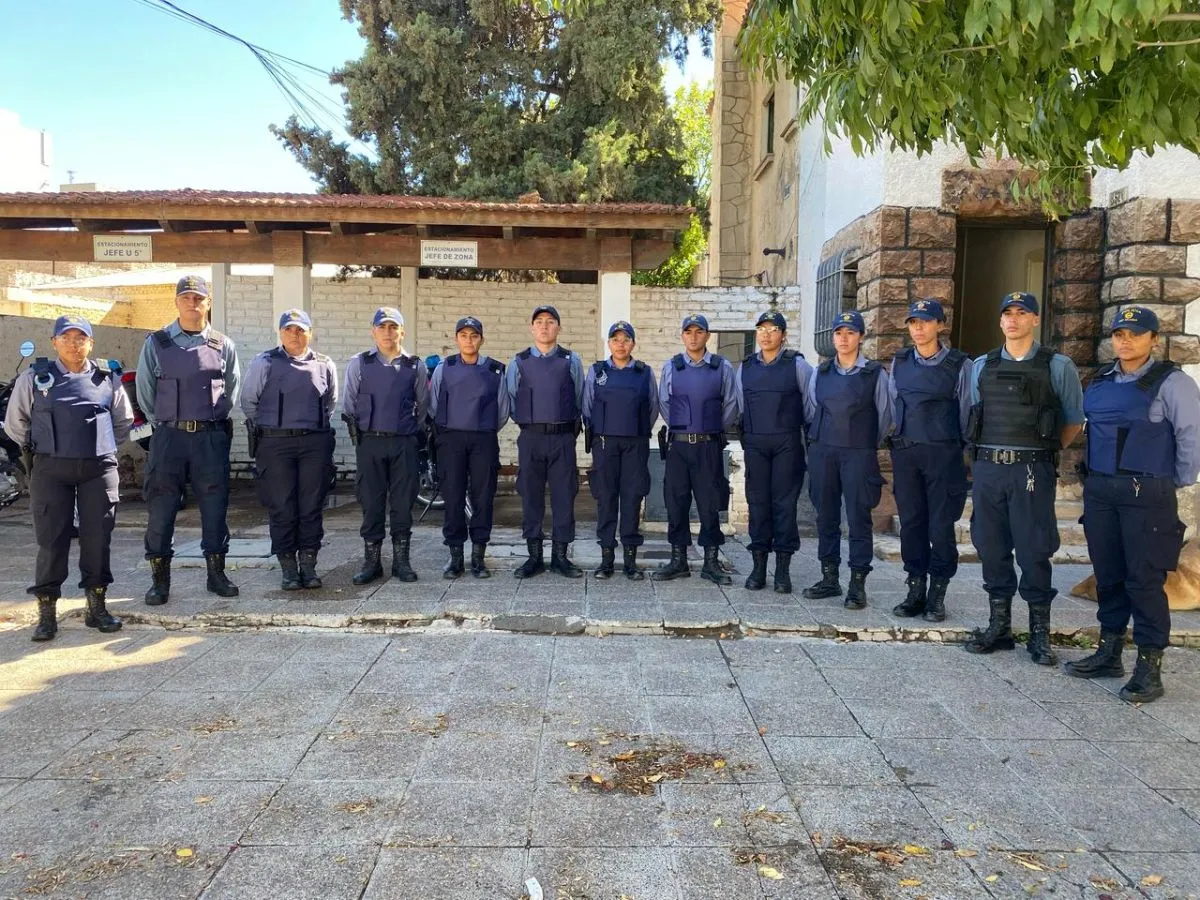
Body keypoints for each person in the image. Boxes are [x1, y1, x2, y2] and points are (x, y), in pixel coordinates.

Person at [1064, 306, 1200, 702]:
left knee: (1144, 581)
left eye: (1135, 334)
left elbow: (1191, 440)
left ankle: (1149, 666)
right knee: (1109, 576)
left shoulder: (1172, 382)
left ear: (1154, 339)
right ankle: (1109, 651)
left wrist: (1168, 483)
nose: (1124, 340)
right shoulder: (1102, 380)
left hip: (1148, 495)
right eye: (1119, 334)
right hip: (1103, 491)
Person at [963, 291, 1085, 666]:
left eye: (1022, 313)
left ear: (1035, 319)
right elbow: (975, 411)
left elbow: (1073, 421)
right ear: (1000, 321)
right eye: (1007, 313)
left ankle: (1039, 635)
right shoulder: (982, 365)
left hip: (1031, 469)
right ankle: (998, 627)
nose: (1013, 319)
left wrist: (1043, 452)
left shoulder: (1058, 365)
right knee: (990, 546)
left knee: (1034, 549)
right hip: (989, 468)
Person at [4, 315, 133, 642]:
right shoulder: (35, 378)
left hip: (98, 469)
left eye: (81, 338)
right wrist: (42, 449)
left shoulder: (107, 378)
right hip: (51, 469)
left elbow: (123, 421)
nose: (74, 344)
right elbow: (16, 424)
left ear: (91, 342)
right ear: (54, 341)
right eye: (67, 337)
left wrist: (100, 448)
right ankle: (46, 614)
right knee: (52, 540)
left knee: (97, 538)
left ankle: (97, 608)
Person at [136, 275, 241, 605]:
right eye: (186, 297)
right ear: (177, 302)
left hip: (209, 438)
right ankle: (159, 580)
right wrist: (168, 423)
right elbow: (145, 393)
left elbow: (231, 392)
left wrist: (207, 422)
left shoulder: (223, 345)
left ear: (208, 303)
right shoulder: (157, 342)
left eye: (199, 298)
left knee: (214, 507)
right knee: (162, 508)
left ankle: (216, 574)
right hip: (169, 437)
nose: (192, 303)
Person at [887, 299, 972, 622]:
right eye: (913, 322)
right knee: (911, 524)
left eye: (925, 321)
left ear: (940, 325)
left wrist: (957, 448)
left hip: (943, 454)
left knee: (940, 526)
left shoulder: (959, 364)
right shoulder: (901, 361)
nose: (919, 328)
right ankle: (915, 588)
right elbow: (895, 405)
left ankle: (938, 593)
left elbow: (967, 412)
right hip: (908, 454)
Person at [241, 309, 338, 591]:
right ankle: (288, 568)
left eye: (300, 329)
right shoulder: (265, 362)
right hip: (275, 443)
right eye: (289, 329)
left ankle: (308, 564)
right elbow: (249, 402)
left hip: (314, 443)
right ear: (280, 332)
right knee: (282, 506)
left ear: (310, 332)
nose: (295, 334)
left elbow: (330, 404)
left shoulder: (324, 363)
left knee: (312, 505)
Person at [802, 310, 893, 608]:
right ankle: (829, 578)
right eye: (839, 332)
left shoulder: (875, 374)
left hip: (858, 453)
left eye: (850, 332)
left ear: (861, 337)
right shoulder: (822, 372)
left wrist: (861, 442)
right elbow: (813, 409)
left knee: (858, 518)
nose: (843, 338)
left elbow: (885, 417)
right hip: (824, 451)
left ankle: (857, 584)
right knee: (825, 516)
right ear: (833, 337)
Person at [342, 307, 428, 585]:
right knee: (371, 501)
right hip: (371, 443)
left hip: (403, 443)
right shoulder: (360, 363)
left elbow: (423, 406)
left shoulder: (415, 365)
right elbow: (349, 404)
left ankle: (402, 562)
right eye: (382, 327)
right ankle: (372, 562)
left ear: (402, 331)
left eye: (393, 327)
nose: (388, 332)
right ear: (373, 331)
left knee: (403, 503)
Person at [652, 313, 738, 585]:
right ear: (682, 336)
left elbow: (732, 405)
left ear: (707, 336)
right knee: (676, 502)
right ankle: (678, 560)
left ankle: (711, 562)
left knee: (710, 503)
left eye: (698, 331)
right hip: (678, 446)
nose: (693, 336)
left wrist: (708, 428)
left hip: (708, 446)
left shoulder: (721, 366)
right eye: (688, 332)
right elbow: (664, 403)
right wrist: (684, 426)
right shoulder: (672, 367)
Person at [734, 310, 812, 593]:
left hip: (786, 443)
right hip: (756, 442)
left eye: (772, 329)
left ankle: (782, 570)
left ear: (783, 334)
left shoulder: (797, 365)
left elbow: (811, 405)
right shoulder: (746, 366)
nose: (766, 334)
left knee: (784, 505)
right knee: (758, 504)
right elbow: (739, 405)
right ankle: (758, 567)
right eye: (761, 329)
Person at [507, 305, 585, 578]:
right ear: (531, 328)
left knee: (564, 497)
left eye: (550, 322)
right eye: (539, 322)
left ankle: (561, 558)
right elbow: (512, 400)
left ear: (558, 328)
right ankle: (534, 557)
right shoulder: (518, 362)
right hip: (531, 438)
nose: (544, 326)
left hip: (562, 438)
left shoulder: (571, 360)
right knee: (531, 497)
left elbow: (579, 399)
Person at [429, 316, 509, 579]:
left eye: (474, 335)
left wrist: (482, 430)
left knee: (483, 497)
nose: (469, 340)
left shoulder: (496, 370)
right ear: (456, 339)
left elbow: (502, 409)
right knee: (453, 497)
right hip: (451, 439)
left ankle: (478, 557)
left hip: (483, 439)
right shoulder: (445, 367)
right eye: (463, 335)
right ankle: (455, 558)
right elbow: (434, 402)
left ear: (481, 339)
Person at [582, 320, 658, 580]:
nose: (621, 344)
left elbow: (653, 408)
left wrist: (635, 431)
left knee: (632, 498)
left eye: (626, 339)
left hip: (635, 444)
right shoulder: (597, 371)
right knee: (606, 499)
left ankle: (630, 560)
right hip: (604, 443)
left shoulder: (644, 372)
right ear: (609, 343)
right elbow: (587, 407)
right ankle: (606, 559)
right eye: (616, 339)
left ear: (633, 344)